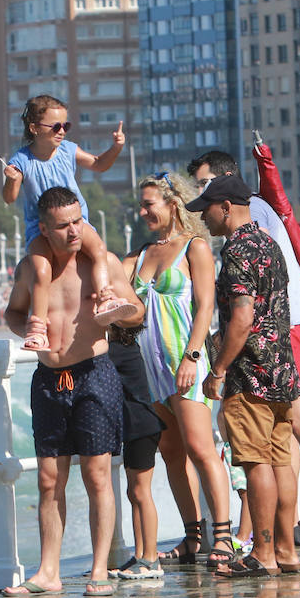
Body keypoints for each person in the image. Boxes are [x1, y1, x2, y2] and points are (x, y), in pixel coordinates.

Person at [188, 151, 300, 546]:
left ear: (226, 191)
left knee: (289, 428)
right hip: (284, 328)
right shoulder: (260, 219)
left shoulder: (248, 224)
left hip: (275, 331)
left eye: (205, 187)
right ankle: (287, 532)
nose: (200, 200)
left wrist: (219, 368)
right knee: (282, 440)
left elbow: (245, 310)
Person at [3, 187, 143, 597]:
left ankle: (100, 568)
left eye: (78, 221)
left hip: (93, 372)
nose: (73, 232)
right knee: (48, 480)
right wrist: (27, 327)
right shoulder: (31, 268)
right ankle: (49, 571)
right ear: (44, 229)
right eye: (63, 226)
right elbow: (12, 312)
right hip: (49, 378)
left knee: (97, 475)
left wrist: (119, 308)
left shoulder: (103, 263)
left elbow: (137, 312)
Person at [190, 173, 300, 577]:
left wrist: (217, 369)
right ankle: (287, 552)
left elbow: (243, 317)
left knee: (256, 465)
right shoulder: (270, 244)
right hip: (282, 371)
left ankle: (264, 555)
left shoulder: (237, 250)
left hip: (250, 373)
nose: (203, 218)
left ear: (226, 208)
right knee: (280, 461)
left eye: (206, 210)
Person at [127, 171, 236, 568]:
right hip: (151, 367)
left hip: (184, 361)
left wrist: (192, 356)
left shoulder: (195, 248)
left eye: (148, 204)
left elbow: (206, 306)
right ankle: (194, 537)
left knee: (201, 448)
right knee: (172, 452)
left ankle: (223, 537)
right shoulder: (140, 254)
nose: (142, 212)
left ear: (173, 204)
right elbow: (108, 276)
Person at [2, 94, 130, 351]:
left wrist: (116, 147)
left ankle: (105, 298)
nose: (62, 131)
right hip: (40, 228)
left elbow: (99, 164)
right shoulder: (22, 160)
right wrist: (12, 180)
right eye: (56, 126)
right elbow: (9, 198)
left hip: (76, 220)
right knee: (40, 270)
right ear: (34, 128)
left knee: (98, 250)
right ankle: (38, 328)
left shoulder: (68, 150)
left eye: (66, 126)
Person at [104, 318, 167, 580]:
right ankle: (141, 554)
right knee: (134, 492)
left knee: (141, 492)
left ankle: (151, 558)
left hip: (142, 426)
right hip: (138, 427)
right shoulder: (127, 349)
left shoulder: (117, 352)